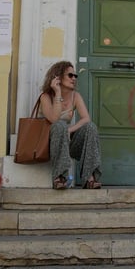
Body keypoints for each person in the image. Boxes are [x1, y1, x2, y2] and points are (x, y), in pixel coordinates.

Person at [39, 61, 102, 190]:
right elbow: (54, 119)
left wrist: (70, 130)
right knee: (60, 125)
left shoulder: (75, 96)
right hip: (49, 144)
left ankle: (89, 178)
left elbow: (86, 119)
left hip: (66, 141)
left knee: (91, 127)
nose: (74, 78)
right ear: (58, 77)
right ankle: (60, 177)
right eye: (70, 75)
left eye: (75, 76)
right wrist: (57, 93)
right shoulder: (45, 97)